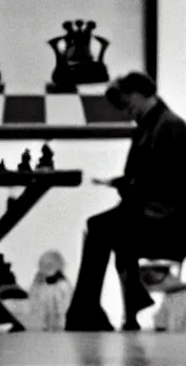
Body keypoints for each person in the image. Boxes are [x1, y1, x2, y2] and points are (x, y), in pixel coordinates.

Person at [65, 71, 186, 331]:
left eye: (127, 100)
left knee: (100, 227)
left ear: (144, 93)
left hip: (167, 218)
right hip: (154, 212)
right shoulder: (155, 124)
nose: (125, 108)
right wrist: (124, 183)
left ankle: (86, 310)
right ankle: (110, 306)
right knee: (106, 229)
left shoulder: (169, 126)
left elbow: (166, 181)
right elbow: (149, 176)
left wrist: (125, 184)